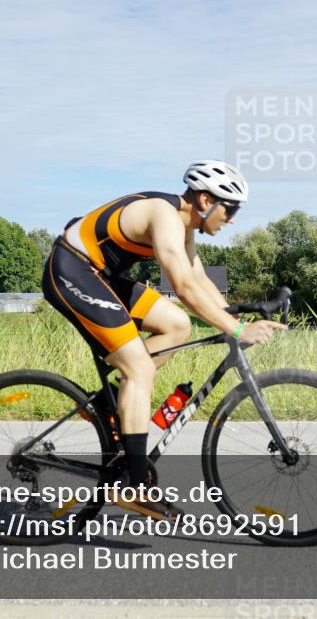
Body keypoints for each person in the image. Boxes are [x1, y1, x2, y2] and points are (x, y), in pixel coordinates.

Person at [42, 160, 286, 520]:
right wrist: (236, 330)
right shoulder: (165, 216)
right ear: (206, 200)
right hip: (71, 270)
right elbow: (183, 287)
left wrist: (236, 321)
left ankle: (113, 402)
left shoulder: (185, 226)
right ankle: (134, 486)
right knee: (139, 369)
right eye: (231, 209)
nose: (232, 219)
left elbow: (199, 281)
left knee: (177, 324)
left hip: (99, 275)